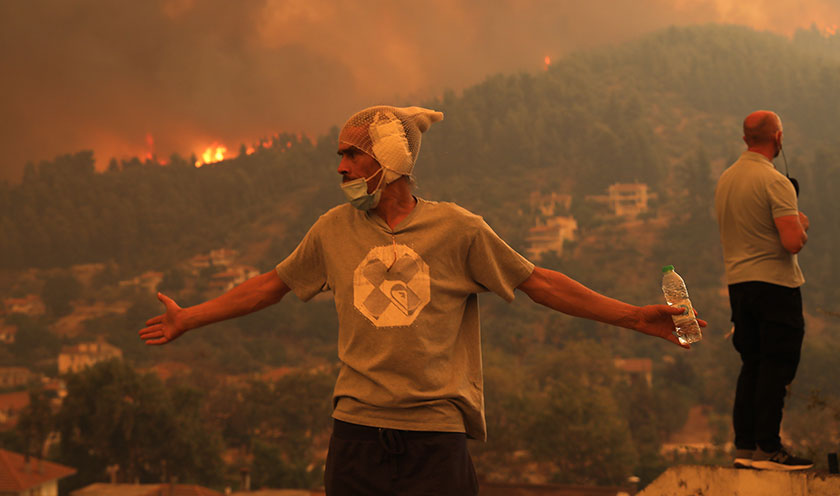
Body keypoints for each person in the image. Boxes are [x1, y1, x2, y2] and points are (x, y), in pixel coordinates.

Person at [140, 105, 706, 495]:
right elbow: (270, 285)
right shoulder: (331, 230)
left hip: (435, 439)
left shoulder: (458, 230)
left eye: (352, 155)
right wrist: (190, 317)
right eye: (338, 156)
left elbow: (541, 283)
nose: (339, 167)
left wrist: (636, 317)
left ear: (389, 160)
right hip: (355, 436)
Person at [715, 110, 812, 471]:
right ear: (778, 137)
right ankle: (770, 449)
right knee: (778, 362)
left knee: (752, 364)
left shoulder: (726, 179)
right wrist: (801, 225)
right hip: (775, 286)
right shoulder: (774, 182)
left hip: (739, 286)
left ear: (746, 139)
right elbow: (791, 242)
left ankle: (746, 446)